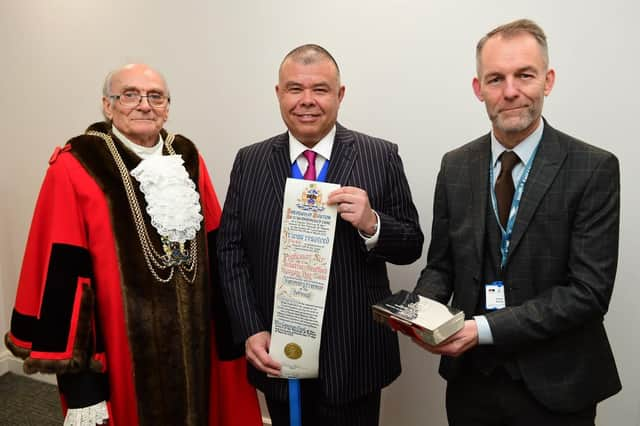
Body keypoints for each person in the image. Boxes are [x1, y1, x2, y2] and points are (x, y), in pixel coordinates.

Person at [4, 64, 262, 426]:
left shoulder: (187, 156)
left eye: (155, 96)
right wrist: (82, 385)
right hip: (123, 355)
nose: (144, 105)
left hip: (199, 347)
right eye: (130, 95)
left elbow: (217, 248)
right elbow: (62, 280)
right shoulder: (76, 164)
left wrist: (237, 336)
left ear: (167, 107)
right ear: (108, 106)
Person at [412, 19, 621, 425]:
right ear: (478, 89)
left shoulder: (594, 168)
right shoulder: (455, 166)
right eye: (495, 79)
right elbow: (442, 265)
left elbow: (589, 292)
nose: (510, 91)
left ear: (548, 80)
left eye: (524, 75)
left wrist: (483, 329)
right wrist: (421, 311)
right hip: (471, 384)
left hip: (558, 386)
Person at [217, 44, 424, 426]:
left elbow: (412, 243)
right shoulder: (250, 160)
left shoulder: (380, 155)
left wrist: (372, 223)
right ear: (279, 94)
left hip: (354, 355)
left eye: (321, 89)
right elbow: (230, 251)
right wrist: (250, 329)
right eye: (295, 89)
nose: (307, 101)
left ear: (340, 95)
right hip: (278, 350)